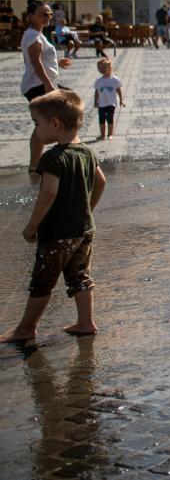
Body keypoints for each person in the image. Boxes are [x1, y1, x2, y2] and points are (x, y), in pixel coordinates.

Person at [1, 90, 107, 343]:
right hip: (84, 230)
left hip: (58, 233)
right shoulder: (87, 153)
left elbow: (48, 194)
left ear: (55, 124)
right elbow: (101, 182)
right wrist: (87, 209)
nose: (36, 130)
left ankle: (26, 328)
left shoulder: (52, 157)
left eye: (37, 124)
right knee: (79, 275)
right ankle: (85, 322)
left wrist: (31, 226)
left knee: (42, 280)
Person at [21, 0, 73, 179]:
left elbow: (39, 59)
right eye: (44, 13)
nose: (48, 16)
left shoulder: (37, 34)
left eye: (50, 13)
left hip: (39, 83)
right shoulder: (33, 35)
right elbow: (36, 63)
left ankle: (35, 166)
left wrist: (57, 63)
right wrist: (48, 85)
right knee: (58, 118)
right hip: (38, 85)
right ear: (31, 16)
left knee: (48, 122)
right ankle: (39, 165)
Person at [92, 58, 125, 141]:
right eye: (99, 68)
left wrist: (121, 100)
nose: (102, 70)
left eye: (104, 67)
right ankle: (102, 135)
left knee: (110, 119)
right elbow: (97, 92)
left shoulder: (114, 80)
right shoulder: (98, 81)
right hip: (101, 104)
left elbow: (119, 90)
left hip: (111, 103)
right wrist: (95, 101)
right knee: (101, 120)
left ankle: (110, 134)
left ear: (110, 68)